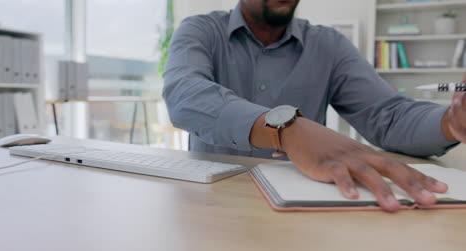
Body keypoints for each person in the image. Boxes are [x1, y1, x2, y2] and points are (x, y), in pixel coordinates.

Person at [163, 0, 466, 212]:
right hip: (210, 207)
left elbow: (388, 117)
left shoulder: (329, 45)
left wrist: (452, 121)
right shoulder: (200, 31)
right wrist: (286, 130)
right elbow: (184, 94)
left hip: (305, 208)